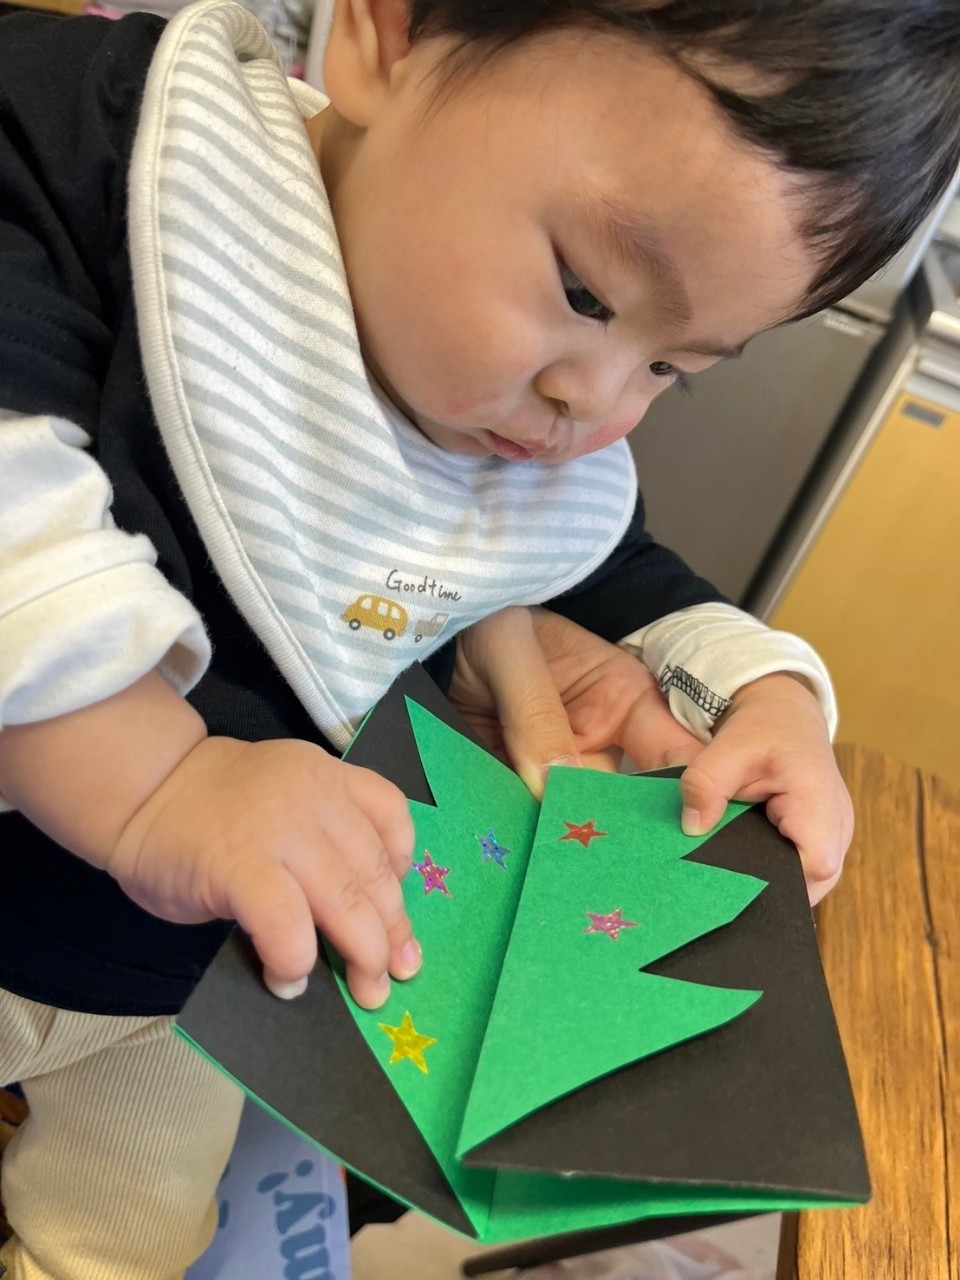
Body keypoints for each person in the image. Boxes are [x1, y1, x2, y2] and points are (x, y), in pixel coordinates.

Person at [0, 0, 956, 1274]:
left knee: (129, 1238)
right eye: (587, 293)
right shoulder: (80, 156)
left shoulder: (514, 432)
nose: (592, 406)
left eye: (674, 369)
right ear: (388, 37)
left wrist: (765, 691)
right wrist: (163, 781)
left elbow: (613, 572)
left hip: (175, 992)